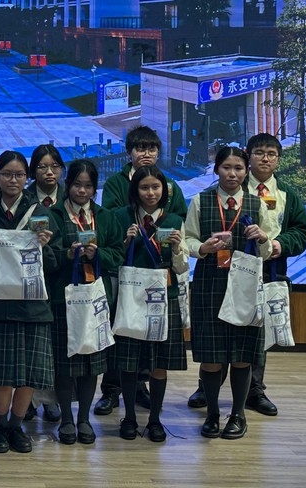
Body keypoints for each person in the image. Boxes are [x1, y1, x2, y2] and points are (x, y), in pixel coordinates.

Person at [183, 147, 276, 440]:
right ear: (216, 170)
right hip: (210, 283)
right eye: (226, 167)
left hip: (245, 285)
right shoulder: (201, 201)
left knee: (242, 355)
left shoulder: (257, 203)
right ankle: (212, 414)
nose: (232, 174)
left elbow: (267, 249)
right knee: (212, 356)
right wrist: (202, 248)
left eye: (238, 168)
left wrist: (263, 238)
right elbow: (187, 240)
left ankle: (238, 414)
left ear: (246, 171)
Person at [95, 125, 187, 416]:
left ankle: (139, 388)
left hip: (159, 274)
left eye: (151, 148)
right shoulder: (116, 183)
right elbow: (112, 217)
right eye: (140, 148)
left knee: (151, 337)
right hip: (127, 271)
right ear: (129, 152)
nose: (146, 153)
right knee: (122, 332)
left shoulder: (169, 185)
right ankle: (111, 390)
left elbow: (178, 217)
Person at [0, 150, 56, 454]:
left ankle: (16, 426)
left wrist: (44, 247)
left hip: (33, 306)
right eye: (7, 174)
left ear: (27, 178)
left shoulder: (41, 214)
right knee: (2, 374)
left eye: (19, 175)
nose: (13, 180)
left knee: (29, 374)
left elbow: (55, 263)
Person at [48, 159, 123, 445]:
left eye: (88, 186)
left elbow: (117, 254)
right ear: (67, 185)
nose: (82, 191)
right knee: (65, 361)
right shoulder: (54, 214)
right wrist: (67, 255)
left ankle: (83, 419)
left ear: (95, 188)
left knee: (92, 361)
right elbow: (45, 255)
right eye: (77, 185)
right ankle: (66, 418)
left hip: (95, 299)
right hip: (63, 298)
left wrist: (98, 254)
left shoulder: (105, 217)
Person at [110, 166, 188, 442]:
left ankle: (155, 419)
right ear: (135, 190)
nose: (151, 193)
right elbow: (112, 259)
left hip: (163, 298)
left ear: (164, 190)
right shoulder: (122, 217)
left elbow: (181, 268)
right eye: (144, 187)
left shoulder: (174, 219)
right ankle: (130, 417)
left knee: (159, 362)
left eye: (156, 187)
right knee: (129, 361)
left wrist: (177, 248)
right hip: (131, 296)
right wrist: (125, 241)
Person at [243, 133, 306, 416]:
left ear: (278, 159)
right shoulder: (232, 187)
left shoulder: (286, 194)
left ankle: (254, 390)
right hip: (233, 269)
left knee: (261, 330)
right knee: (225, 326)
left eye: (271, 154)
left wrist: (279, 245)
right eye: (259, 152)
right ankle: (207, 384)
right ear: (248, 156)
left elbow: (302, 230)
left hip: (270, 269)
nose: (265, 158)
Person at [23, 143, 66, 424]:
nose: (49, 172)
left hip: (60, 281)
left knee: (55, 347)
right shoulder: (24, 199)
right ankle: (27, 401)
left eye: (54, 166)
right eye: (42, 167)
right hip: (27, 282)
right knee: (30, 346)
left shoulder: (70, 198)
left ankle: (51, 400)